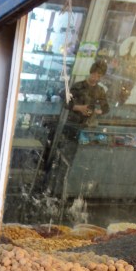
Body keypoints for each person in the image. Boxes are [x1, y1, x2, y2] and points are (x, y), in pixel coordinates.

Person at [45, 59, 110, 199]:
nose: (95, 78)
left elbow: (106, 108)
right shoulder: (78, 86)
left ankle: (61, 192)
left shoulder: (100, 91)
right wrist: (79, 108)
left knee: (72, 164)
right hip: (69, 128)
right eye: (94, 74)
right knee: (60, 160)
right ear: (90, 72)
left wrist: (95, 112)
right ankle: (50, 189)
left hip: (85, 131)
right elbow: (66, 102)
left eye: (99, 76)